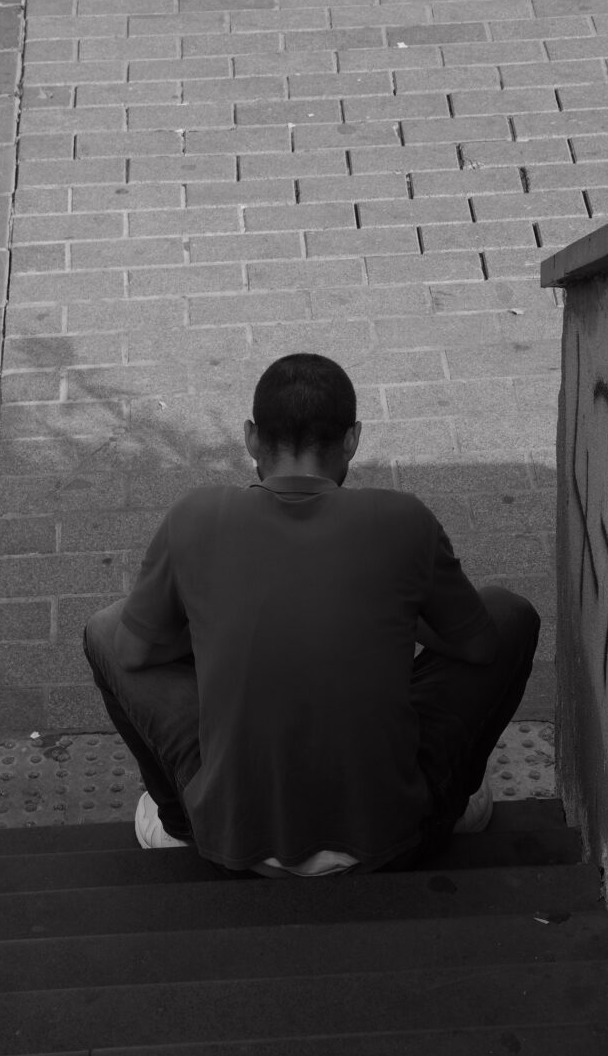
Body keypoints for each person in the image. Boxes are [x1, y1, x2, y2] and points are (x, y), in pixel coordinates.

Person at [84, 353, 540, 878]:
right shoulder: (403, 519)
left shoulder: (194, 515)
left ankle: (178, 823)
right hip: (389, 839)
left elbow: (133, 651)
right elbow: (480, 645)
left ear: (252, 438)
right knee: (511, 614)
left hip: (236, 840)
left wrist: (211, 634)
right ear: (352, 439)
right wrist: (396, 607)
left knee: (105, 627)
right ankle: (450, 805)